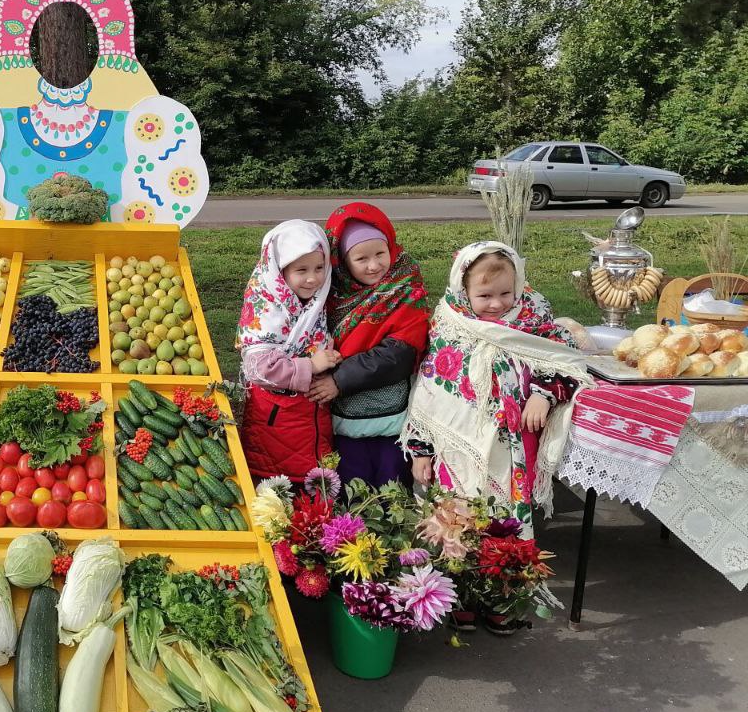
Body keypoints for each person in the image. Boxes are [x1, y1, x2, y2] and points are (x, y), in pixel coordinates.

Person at [401, 241, 590, 631]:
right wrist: (421, 450)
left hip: (511, 451)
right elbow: (428, 394)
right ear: (463, 290)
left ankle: (503, 600)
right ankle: (463, 597)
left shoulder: (533, 321)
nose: (496, 304)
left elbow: (565, 360)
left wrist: (541, 392)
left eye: (506, 293)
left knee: (506, 524)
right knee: (456, 522)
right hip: (456, 451)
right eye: (484, 295)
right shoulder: (451, 326)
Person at [314, 203, 430, 488]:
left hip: (392, 420)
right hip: (345, 420)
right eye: (361, 258)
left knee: (392, 489)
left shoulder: (405, 291)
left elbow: (399, 354)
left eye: (381, 253)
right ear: (341, 262)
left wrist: (339, 380)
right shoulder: (329, 297)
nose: (374, 265)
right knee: (352, 489)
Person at [236, 219, 342, 483]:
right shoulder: (268, 308)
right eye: (301, 270)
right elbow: (258, 369)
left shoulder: (314, 303)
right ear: (279, 272)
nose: (313, 278)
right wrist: (313, 365)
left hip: (311, 425)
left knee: (312, 500)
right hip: (274, 428)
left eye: (320, 268)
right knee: (275, 501)